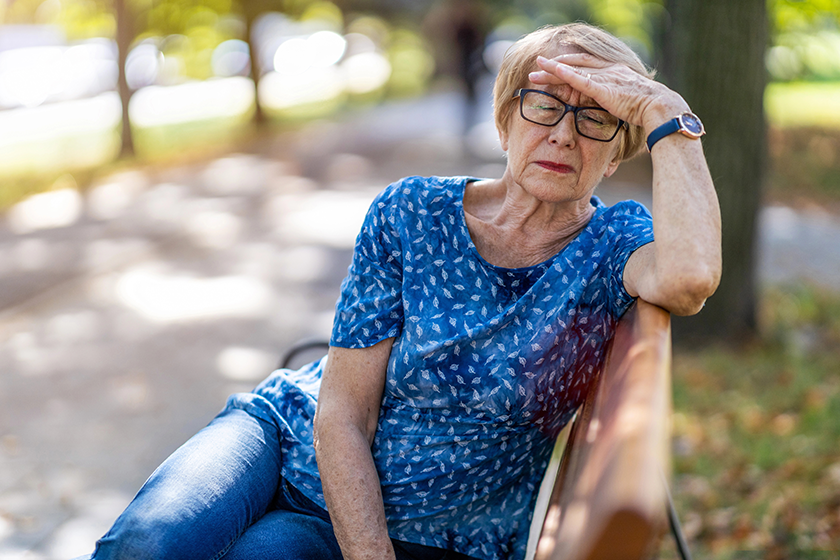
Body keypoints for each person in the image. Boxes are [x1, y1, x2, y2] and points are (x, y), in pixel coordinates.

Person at [79, 22, 721, 560]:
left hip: (422, 529)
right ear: (505, 121)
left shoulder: (613, 244)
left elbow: (691, 278)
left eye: (597, 119)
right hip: (289, 436)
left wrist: (667, 113)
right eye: (544, 105)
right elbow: (343, 410)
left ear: (616, 155)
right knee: (142, 545)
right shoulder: (410, 212)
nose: (562, 133)